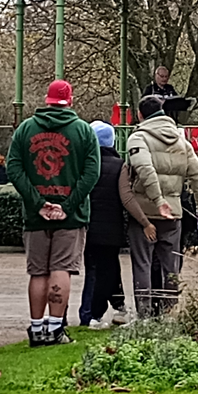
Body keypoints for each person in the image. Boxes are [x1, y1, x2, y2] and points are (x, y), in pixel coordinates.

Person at [7, 79, 101, 347]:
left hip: (36, 217)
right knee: (62, 268)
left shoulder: (25, 129)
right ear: (70, 100)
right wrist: (67, 205)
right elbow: (91, 173)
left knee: (38, 272)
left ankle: (36, 329)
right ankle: (55, 328)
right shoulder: (83, 131)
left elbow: (14, 169)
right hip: (70, 217)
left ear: (47, 100)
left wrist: (38, 203)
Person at [126, 95, 198, 316]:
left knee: (142, 263)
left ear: (140, 114)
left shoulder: (138, 138)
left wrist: (157, 200)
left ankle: (144, 314)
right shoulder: (182, 140)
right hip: (174, 214)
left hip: (144, 213)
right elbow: (197, 174)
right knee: (170, 264)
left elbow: (144, 169)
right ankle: (168, 311)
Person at [77, 122, 130, 329]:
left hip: (89, 224)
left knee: (93, 269)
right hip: (113, 226)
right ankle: (115, 305)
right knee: (109, 267)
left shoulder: (84, 164)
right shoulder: (119, 165)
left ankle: (90, 312)